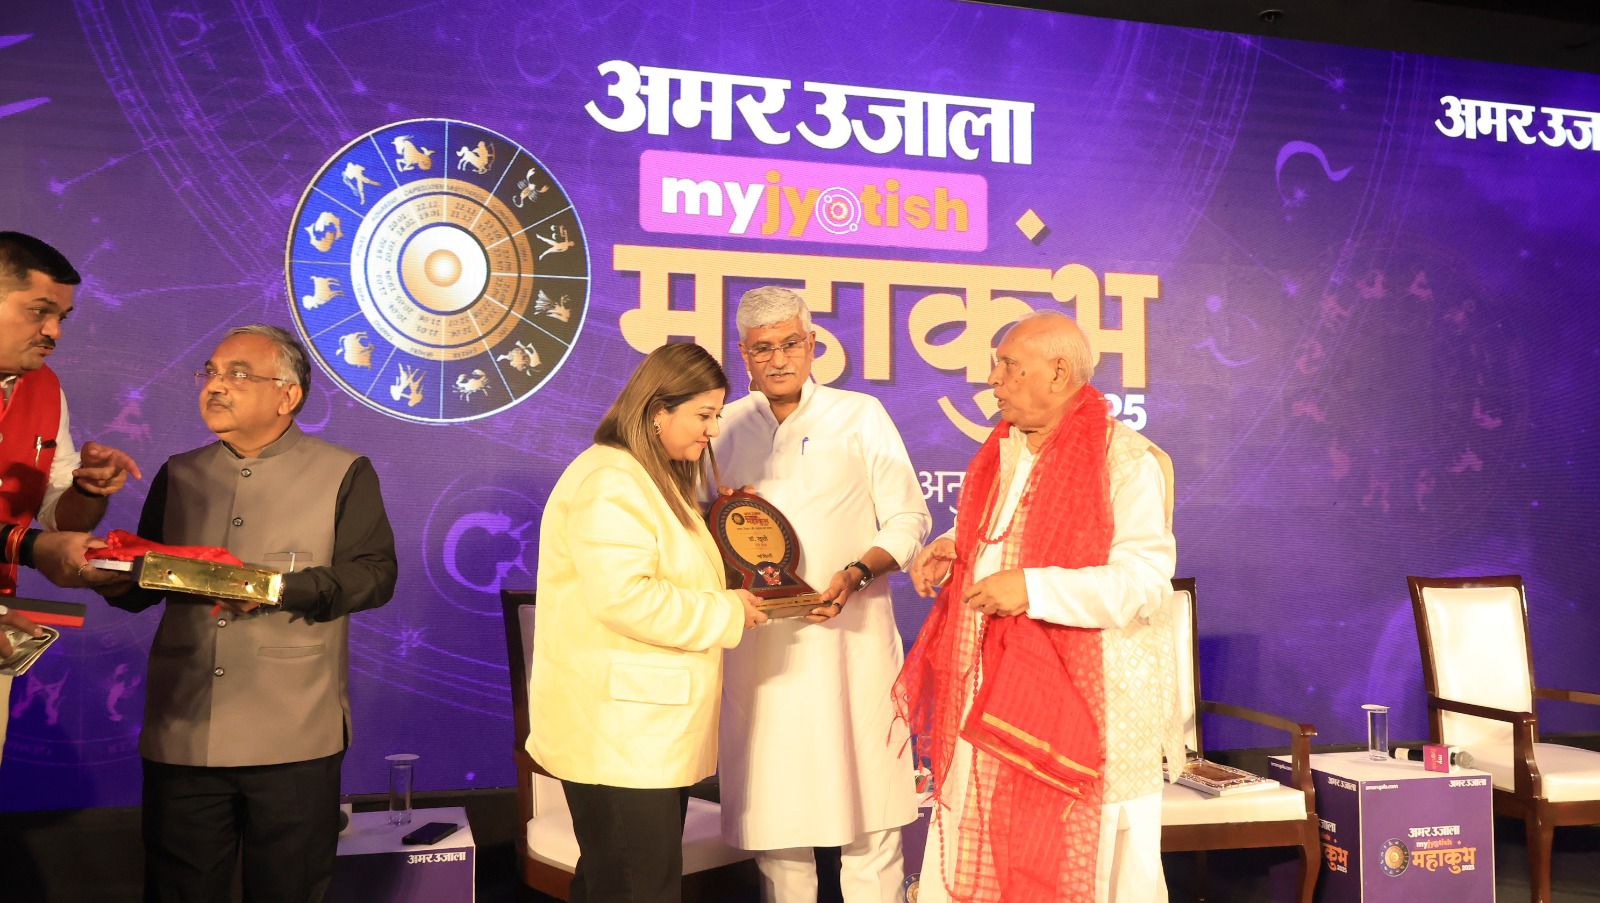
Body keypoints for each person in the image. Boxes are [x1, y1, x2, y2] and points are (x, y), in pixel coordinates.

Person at [101, 324, 397, 903]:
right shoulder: (179, 472)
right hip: (183, 729)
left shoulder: (344, 471)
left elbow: (375, 575)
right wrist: (106, 574)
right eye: (210, 372)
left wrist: (275, 589)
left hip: (294, 730)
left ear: (288, 395)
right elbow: (142, 587)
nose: (215, 386)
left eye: (237, 374)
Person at [895, 310, 1181, 903]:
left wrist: (1034, 589)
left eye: (1008, 366)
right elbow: (1005, 536)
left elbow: (1144, 582)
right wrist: (955, 547)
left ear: (1058, 373)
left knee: (1089, 871)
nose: (993, 380)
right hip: (997, 703)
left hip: (1088, 713)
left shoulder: (1126, 461)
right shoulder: (1003, 450)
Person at [714, 286, 932, 903]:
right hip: (763, 653)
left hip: (852, 645)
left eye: (791, 343)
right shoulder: (721, 427)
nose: (779, 359)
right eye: (763, 349)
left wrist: (857, 573)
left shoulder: (860, 415)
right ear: (744, 354)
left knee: (873, 824)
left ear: (812, 345)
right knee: (778, 831)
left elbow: (908, 518)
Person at [529, 342, 767, 903]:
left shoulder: (646, 478)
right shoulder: (612, 481)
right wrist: (729, 611)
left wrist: (724, 523)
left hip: (640, 735)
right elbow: (626, 599)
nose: (713, 431)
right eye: (704, 415)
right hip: (621, 735)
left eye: (717, 415)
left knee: (615, 884)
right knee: (638, 889)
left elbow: (667, 570)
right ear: (659, 410)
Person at [0, 231, 141, 765]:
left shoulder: (44, 386)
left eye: (62, 317)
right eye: (39, 311)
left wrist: (86, 488)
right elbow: (40, 541)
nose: (54, 332)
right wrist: (32, 548)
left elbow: (58, 515)